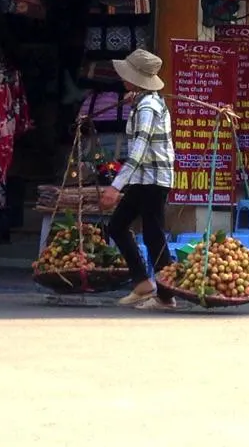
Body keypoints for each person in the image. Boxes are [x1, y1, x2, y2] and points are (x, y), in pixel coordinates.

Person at [98, 49, 176, 310]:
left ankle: (166, 295)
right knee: (117, 226)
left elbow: (139, 151)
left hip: (153, 179)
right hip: (143, 179)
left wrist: (115, 186)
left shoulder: (148, 107)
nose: (123, 79)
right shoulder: (142, 102)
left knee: (154, 235)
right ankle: (143, 283)